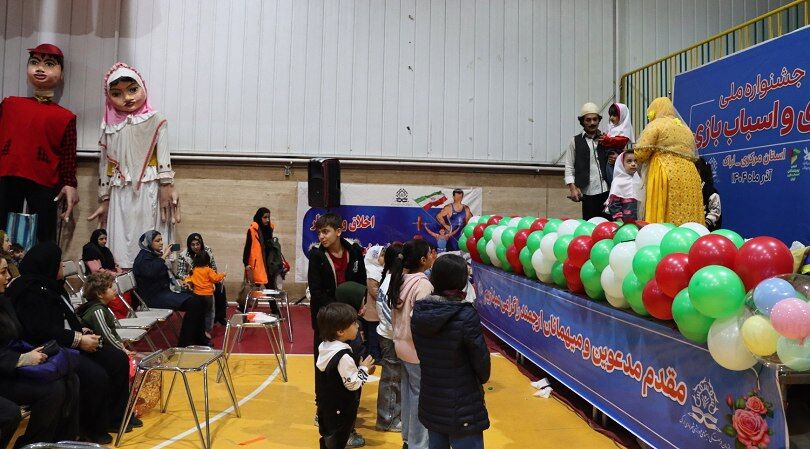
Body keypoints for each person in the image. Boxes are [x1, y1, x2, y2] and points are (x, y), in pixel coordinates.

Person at [5, 242, 133, 444]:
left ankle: (115, 418)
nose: (63, 266)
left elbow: (67, 316)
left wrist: (81, 330)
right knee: (95, 375)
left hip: (69, 341)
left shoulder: (53, 285)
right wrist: (78, 340)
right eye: (59, 263)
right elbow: (41, 331)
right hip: (50, 348)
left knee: (117, 359)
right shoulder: (28, 291)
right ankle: (89, 429)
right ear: (48, 265)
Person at [88, 62, 180, 269]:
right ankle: (123, 280)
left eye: (132, 90)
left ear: (142, 87)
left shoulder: (156, 119)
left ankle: (153, 275)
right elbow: (105, 163)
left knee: (150, 230)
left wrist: (166, 185)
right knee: (121, 238)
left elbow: (163, 156)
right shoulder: (110, 125)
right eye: (117, 94)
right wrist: (104, 197)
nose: (127, 98)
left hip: (149, 185)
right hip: (120, 188)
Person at [0, 44, 79, 243]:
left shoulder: (65, 117)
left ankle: (42, 263)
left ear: (61, 74)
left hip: (44, 178)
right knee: (2, 226)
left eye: (49, 64)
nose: (40, 68)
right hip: (6, 172)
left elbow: (68, 155)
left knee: (43, 232)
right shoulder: (9, 104)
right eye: (34, 62)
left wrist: (70, 183)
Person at [412, 254, 491, 449]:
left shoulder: (420, 312)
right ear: (462, 281)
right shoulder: (465, 315)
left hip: (432, 399)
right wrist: (481, 378)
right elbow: (481, 361)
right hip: (463, 403)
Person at [1, 255, 80, 448]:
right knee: (49, 392)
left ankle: (47, 442)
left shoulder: (3, 301)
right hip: (4, 371)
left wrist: (30, 351)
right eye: (3, 272)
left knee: (67, 380)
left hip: (9, 366)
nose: (8, 276)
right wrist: (21, 359)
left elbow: (13, 338)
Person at [308, 213, 367, 447]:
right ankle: (323, 412)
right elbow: (316, 292)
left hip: (350, 320)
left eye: (326, 231)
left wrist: (359, 305)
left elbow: (361, 281)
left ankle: (348, 419)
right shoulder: (317, 256)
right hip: (327, 322)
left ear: (339, 231)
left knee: (351, 366)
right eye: (319, 232)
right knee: (324, 371)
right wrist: (339, 311)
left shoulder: (354, 251)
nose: (321, 237)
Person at [388, 239, 436, 449]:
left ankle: (408, 439)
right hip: (416, 349)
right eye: (430, 253)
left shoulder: (401, 279)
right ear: (423, 259)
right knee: (419, 396)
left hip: (401, 344)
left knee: (408, 391)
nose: (433, 256)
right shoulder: (423, 284)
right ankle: (418, 443)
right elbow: (422, 320)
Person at [634, 97, 705, 225]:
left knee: (665, 210)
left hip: (665, 171)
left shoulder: (657, 124)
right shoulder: (686, 129)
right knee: (687, 210)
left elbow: (641, 153)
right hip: (690, 174)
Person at [315, 303, 375, 449]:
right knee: (337, 442)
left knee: (327, 438)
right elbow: (353, 384)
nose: (358, 326)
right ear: (340, 331)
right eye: (354, 323)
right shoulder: (343, 356)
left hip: (326, 408)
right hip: (340, 411)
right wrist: (364, 369)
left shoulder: (324, 346)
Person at [133, 230, 207, 347]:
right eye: (157, 241)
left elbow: (166, 275)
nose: (161, 243)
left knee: (200, 298)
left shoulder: (153, 255)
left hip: (164, 292)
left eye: (161, 240)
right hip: (153, 297)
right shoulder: (143, 257)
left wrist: (181, 283)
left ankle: (199, 338)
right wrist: (164, 257)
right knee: (194, 303)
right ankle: (186, 342)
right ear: (148, 243)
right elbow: (151, 272)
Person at [375, 242, 404, 433]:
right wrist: (400, 333)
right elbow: (387, 313)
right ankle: (387, 419)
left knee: (395, 377)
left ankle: (393, 415)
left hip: (391, 335)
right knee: (392, 378)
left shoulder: (392, 278)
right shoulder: (391, 282)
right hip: (390, 337)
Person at [564, 102, 611, 220]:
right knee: (590, 226)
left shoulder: (606, 139)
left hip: (608, 192)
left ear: (599, 120)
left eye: (595, 119)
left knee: (609, 226)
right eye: (588, 120)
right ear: (582, 122)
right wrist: (572, 188)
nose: (592, 123)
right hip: (588, 194)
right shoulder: (575, 141)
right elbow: (569, 166)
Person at [178, 232, 228, 325]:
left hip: (208, 278)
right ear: (189, 245)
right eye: (193, 245)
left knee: (220, 288)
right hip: (193, 282)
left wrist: (212, 281)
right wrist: (190, 280)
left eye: (198, 244)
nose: (196, 247)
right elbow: (180, 273)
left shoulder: (207, 250)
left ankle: (220, 316)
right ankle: (199, 319)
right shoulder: (183, 255)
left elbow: (213, 267)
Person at [243, 208, 284, 313]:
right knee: (250, 290)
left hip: (268, 265)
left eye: (268, 217)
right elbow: (247, 247)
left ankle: (275, 311)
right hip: (257, 266)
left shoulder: (269, 229)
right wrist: (246, 263)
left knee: (270, 288)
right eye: (265, 217)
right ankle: (242, 309)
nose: (267, 220)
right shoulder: (252, 230)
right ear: (259, 217)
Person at [76, 272, 127, 352]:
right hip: (97, 350)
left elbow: (112, 331)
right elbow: (106, 336)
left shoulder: (101, 307)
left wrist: (120, 344)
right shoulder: (97, 310)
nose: (114, 289)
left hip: (104, 347)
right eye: (110, 287)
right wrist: (123, 351)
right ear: (99, 294)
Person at [184, 251, 227, 336]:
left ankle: (198, 330)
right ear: (207, 260)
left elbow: (188, 279)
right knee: (209, 313)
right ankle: (207, 331)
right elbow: (215, 279)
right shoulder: (208, 270)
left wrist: (188, 283)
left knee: (199, 313)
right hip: (208, 295)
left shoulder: (194, 270)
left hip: (197, 295)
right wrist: (223, 275)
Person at [600, 103, 635, 185]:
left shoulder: (624, 128)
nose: (611, 118)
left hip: (616, 155)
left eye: (614, 115)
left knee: (614, 179)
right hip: (609, 155)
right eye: (610, 115)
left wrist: (608, 139)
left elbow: (621, 140)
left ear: (622, 115)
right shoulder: (612, 127)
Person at [361, 245, 385, 363]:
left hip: (377, 309)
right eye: (381, 256)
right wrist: (385, 296)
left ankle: (376, 354)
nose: (383, 258)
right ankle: (374, 356)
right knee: (373, 335)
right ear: (374, 257)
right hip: (372, 311)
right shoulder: (372, 272)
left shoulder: (380, 270)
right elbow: (374, 291)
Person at [604, 151, 641, 223]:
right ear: (622, 164)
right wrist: (620, 221)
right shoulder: (618, 182)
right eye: (629, 161)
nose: (633, 164)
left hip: (638, 221)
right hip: (623, 223)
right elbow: (613, 205)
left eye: (635, 161)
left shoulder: (638, 180)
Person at [695, 157, 722, 231]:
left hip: (707, 232)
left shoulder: (710, 191)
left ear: (698, 171)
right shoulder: (690, 190)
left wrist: (704, 226)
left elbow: (715, 212)